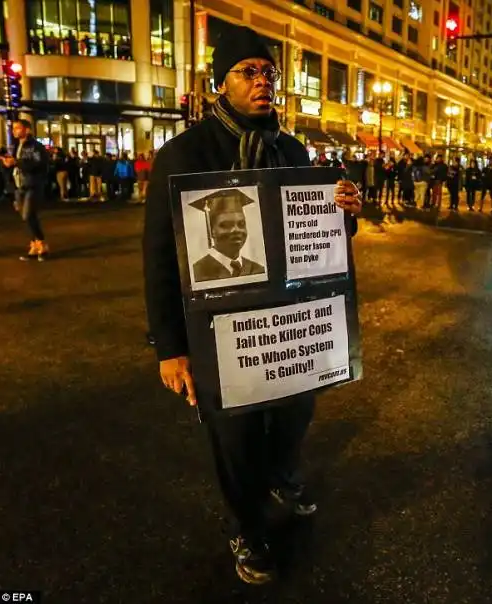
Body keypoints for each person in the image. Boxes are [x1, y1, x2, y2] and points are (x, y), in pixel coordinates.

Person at [142, 24, 362, 586]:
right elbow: (159, 258)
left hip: (288, 326)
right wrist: (170, 348)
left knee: (295, 414)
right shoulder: (183, 154)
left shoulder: (291, 150)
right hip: (218, 331)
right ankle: (248, 525)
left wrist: (341, 214)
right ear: (221, 83)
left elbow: (313, 244)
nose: (262, 81)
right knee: (235, 439)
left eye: (269, 72)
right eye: (248, 72)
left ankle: (282, 474)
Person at [2, 119, 50, 261]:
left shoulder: (36, 146)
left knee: (28, 215)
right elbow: (16, 168)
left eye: (17, 128)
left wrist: (16, 162)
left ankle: (42, 243)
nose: (14, 131)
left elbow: (38, 164)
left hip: (32, 185)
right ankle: (34, 245)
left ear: (27, 130)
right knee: (29, 217)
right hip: (19, 186)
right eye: (14, 128)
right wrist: (8, 164)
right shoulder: (17, 145)